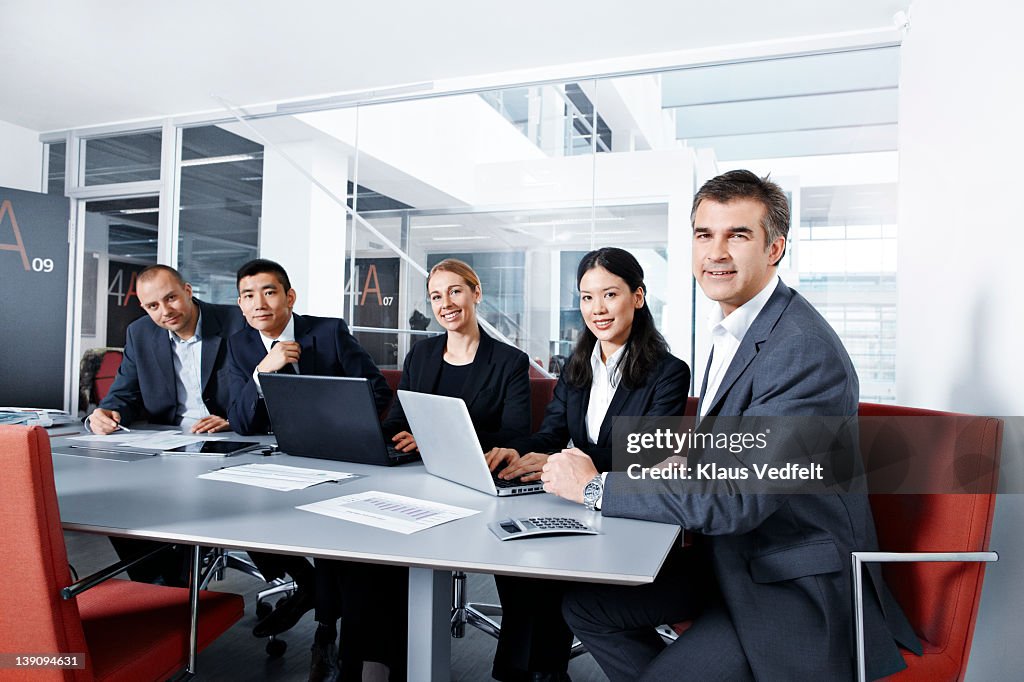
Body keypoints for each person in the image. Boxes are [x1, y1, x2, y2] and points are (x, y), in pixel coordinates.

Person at [541, 170, 921, 681]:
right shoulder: (739, 327)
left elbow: (738, 498)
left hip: (785, 580)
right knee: (587, 607)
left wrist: (595, 489)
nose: (715, 252)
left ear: (774, 248)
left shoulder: (802, 350)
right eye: (704, 235)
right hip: (730, 557)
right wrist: (690, 457)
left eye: (737, 235)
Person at [485, 247, 690, 682]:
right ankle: (530, 674)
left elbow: (645, 453)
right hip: (576, 502)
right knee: (519, 559)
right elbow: (551, 434)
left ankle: (536, 672)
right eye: (586, 297)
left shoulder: (668, 372)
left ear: (637, 296)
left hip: (624, 508)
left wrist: (562, 462)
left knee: (548, 570)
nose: (597, 309)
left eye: (609, 294)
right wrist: (514, 451)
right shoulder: (577, 365)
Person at [336, 258, 532, 681]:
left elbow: (514, 438)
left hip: (479, 491)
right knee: (365, 554)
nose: (446, 303)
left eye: (455, 291)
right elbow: (395, 424)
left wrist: (435, 440)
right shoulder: (422, 355)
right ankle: (372, 664)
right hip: (416, 485)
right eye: (436, 296)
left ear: (476, 293)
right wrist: (400, 440)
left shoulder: (510, 362)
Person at [226, 258, 392, 680]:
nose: (258, 304)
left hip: (339, 457)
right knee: (237, 509)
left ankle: (327, 629)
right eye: (248, 296)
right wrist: (263, 373)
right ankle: (310, 591)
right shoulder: (240, 345)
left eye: (268, 292)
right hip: (279, 464)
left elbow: (375, 389)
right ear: (241, 305)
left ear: (289, 297)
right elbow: (241, 421)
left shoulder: (328, 331)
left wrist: (329, 415)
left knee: (340, 534)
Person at [87, 264, 245, 586]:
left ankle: (175, 585)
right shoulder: (140, 333)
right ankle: (162, 584)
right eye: (153, 306)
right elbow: (123, 395)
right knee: (112, 500)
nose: (164, 311)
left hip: (233, 439)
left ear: (187, 291)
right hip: (171, 444)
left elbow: (263, 386)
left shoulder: (236, 323)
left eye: (171, 298)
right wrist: (104, 414)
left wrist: (234, 418)